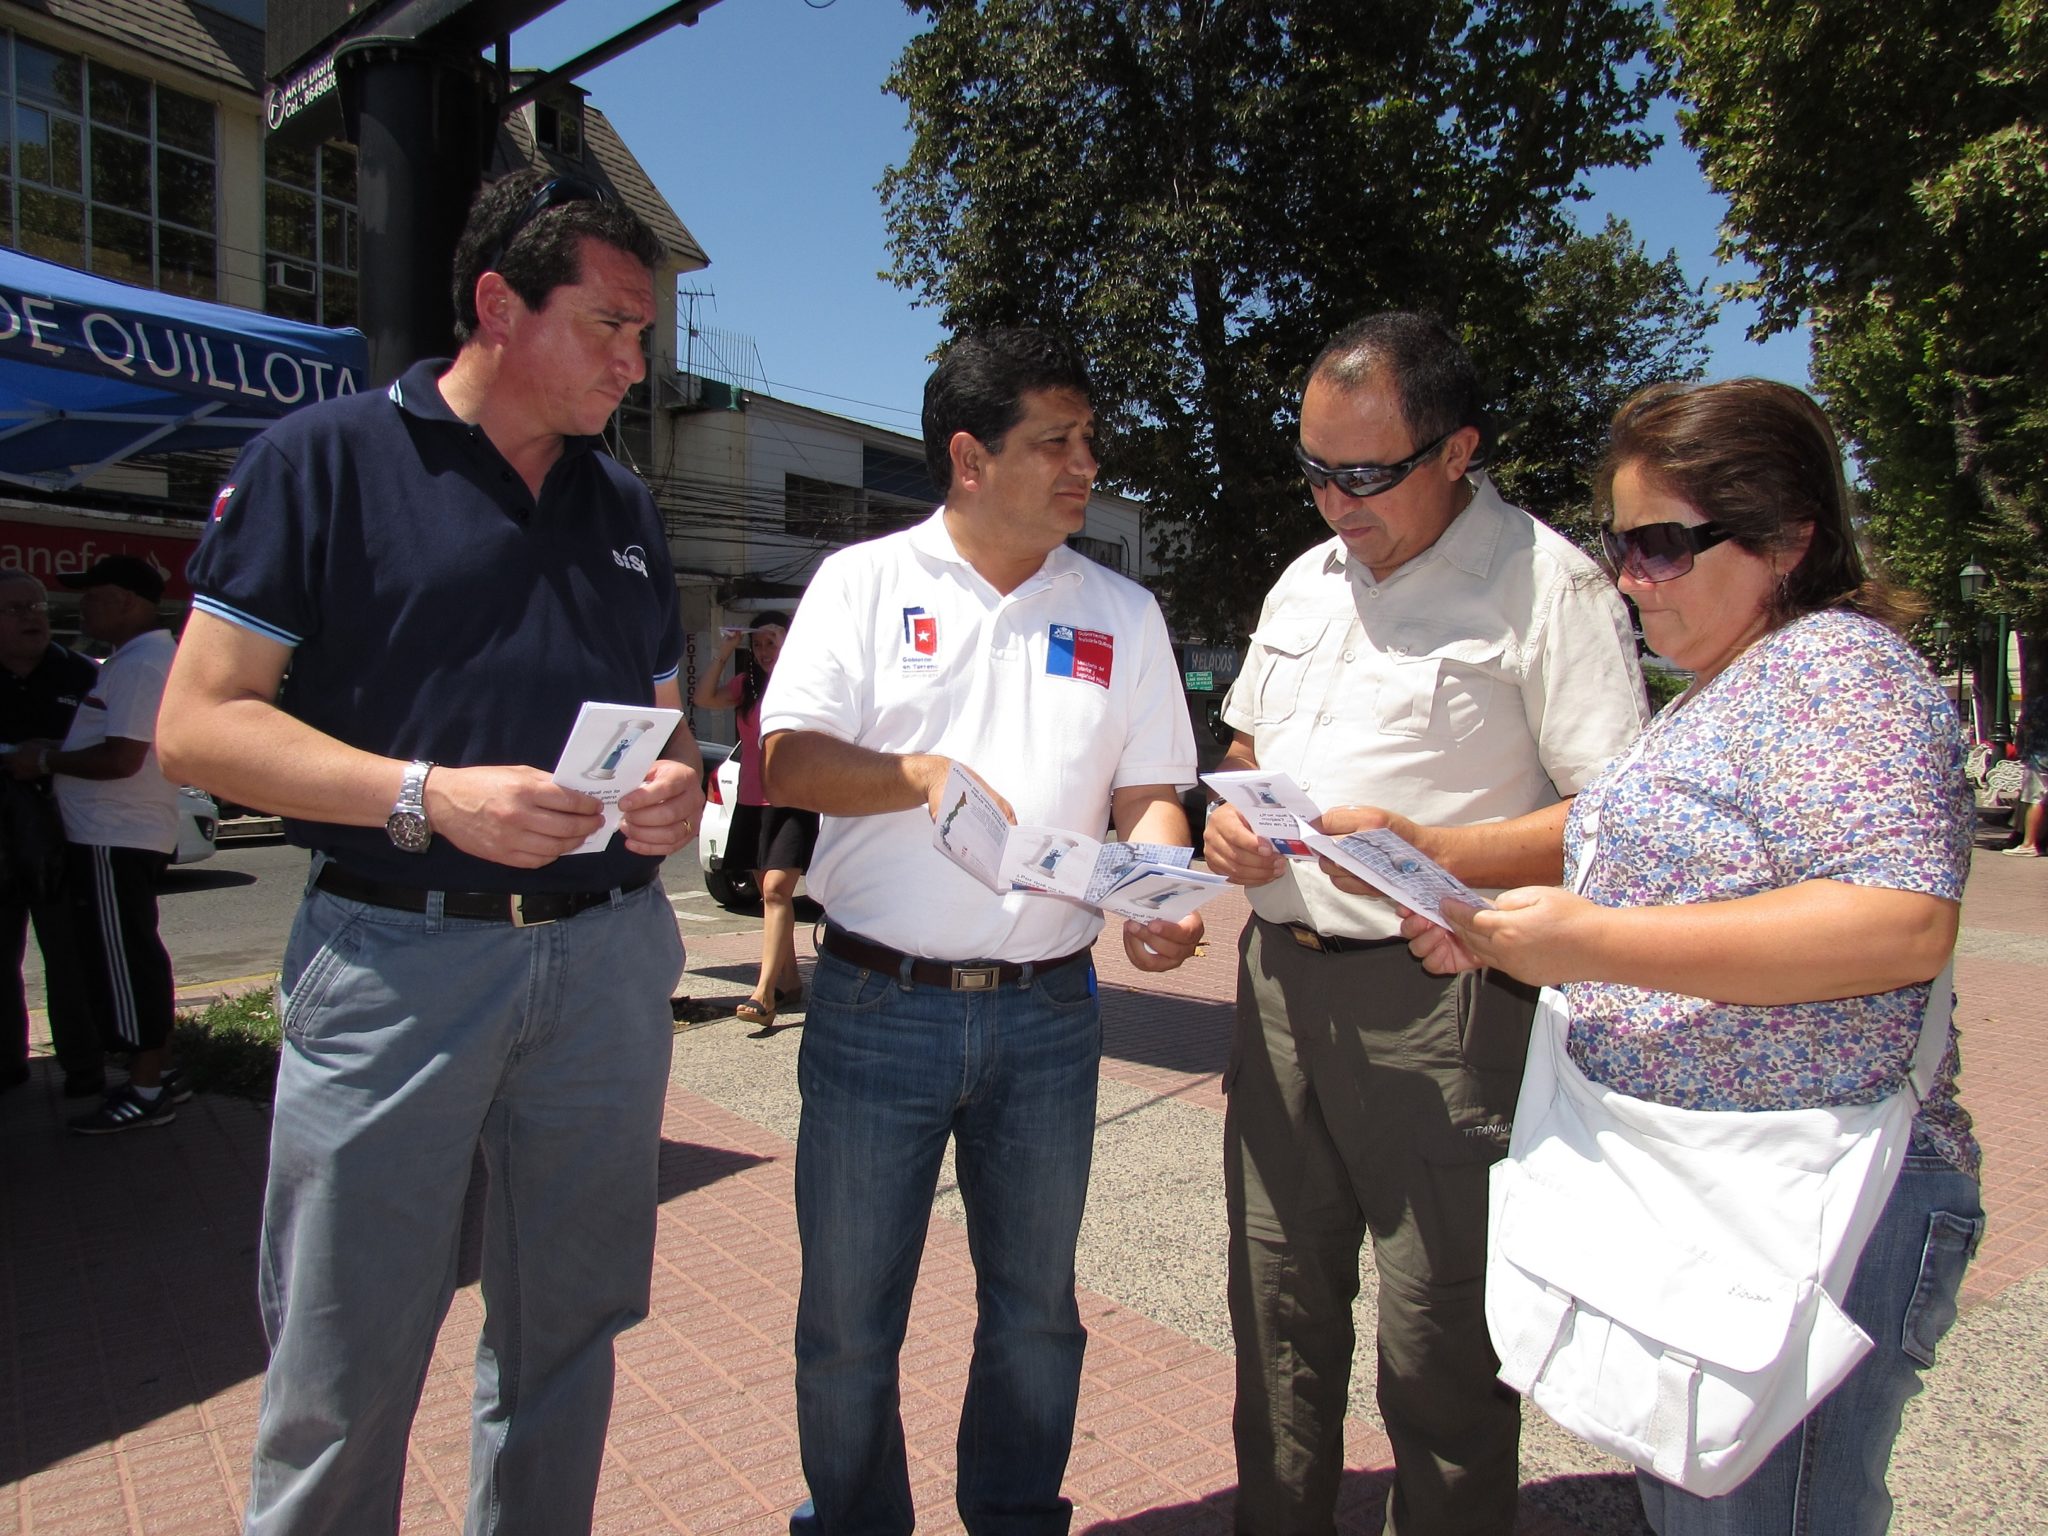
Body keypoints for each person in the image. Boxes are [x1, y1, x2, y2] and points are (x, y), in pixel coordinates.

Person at [156, 169, 704, 1535]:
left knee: (569, 1336)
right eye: (612, 326)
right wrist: (428, 796)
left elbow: (670, 730)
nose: (636, 363)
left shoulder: (625, 506)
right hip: (396, 961)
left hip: (607, 965)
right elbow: (197, 728)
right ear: (498, 307)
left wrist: (673, 795)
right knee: (346, 1359)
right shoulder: (322, 461)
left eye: (647, 336)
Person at [1395, 377, 1981, 1536]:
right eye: (1621, 545)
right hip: (1715, 1193)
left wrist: (1581, 941)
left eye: (1661, 546)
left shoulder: (1839, 672)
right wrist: (1457, 873)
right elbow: (1613, 835)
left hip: (1819, 1199)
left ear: (1785, 536)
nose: (1627, 578)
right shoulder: (1725, 688)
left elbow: (1898, 921)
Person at [1202, 312, 1648, 1536]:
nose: (1334, 502)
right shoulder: (1307, 576)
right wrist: (1226, 829)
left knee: (1437, 1330)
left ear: (1457, 450)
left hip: (1442, 998)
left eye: (1364, 473)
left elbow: (1615, 819)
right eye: (1312, 469)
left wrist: (1434, 851)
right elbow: (1244, 748)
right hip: (1281, 985)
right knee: (1276, 1307)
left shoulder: (1545, 585)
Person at [760, 328, 1205, 1535]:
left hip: (1049, 1015)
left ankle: (1013, 1519)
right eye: (1054, 443)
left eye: (1088, 442)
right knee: (848, 1319)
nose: (1084, 467)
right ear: (969, 456)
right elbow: (785, 758)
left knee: (1033, 1309)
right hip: (872, 1007)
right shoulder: (862, 584)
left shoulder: (1121, 609)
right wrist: (915, 772)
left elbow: (1151, 788)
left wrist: (1158, 879)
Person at [4, 557, 183, 1131]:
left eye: (93, 595)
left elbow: (122, 758)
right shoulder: (132, 661)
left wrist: (44, 759)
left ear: (127, 600)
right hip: (106, 836)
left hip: (113, 837)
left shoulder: (138, 665)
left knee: (125, 962)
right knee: (120, 956)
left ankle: (146, 1084)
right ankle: (151, 1072)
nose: (75, 607)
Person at [692, 609, 819, 1028]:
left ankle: (763, 992)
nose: (764, 650)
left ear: (790, 642)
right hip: (750, 801)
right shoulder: (744, 686)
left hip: (792, 798)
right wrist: (724, 651)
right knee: (768, 894)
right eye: (758, 643)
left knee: (779, 891)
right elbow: (704, 699)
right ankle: (788, 981)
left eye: (773, 641)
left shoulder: (805, 685)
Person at [0, 567, 99, 1096]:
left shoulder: (81, 676)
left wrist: (51, 756)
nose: (30, 618)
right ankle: (7, 1063)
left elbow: (114, 748)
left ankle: (83, 1067)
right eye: (14, 609)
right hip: (3, 841)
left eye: (36, 607)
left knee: (71, 956)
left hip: (66, 836)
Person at [2002, 691, 2046, 857]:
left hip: (2039, 754)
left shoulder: (2039, 701)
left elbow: (2025, 725)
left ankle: (2029, 843)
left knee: (2035, 799)